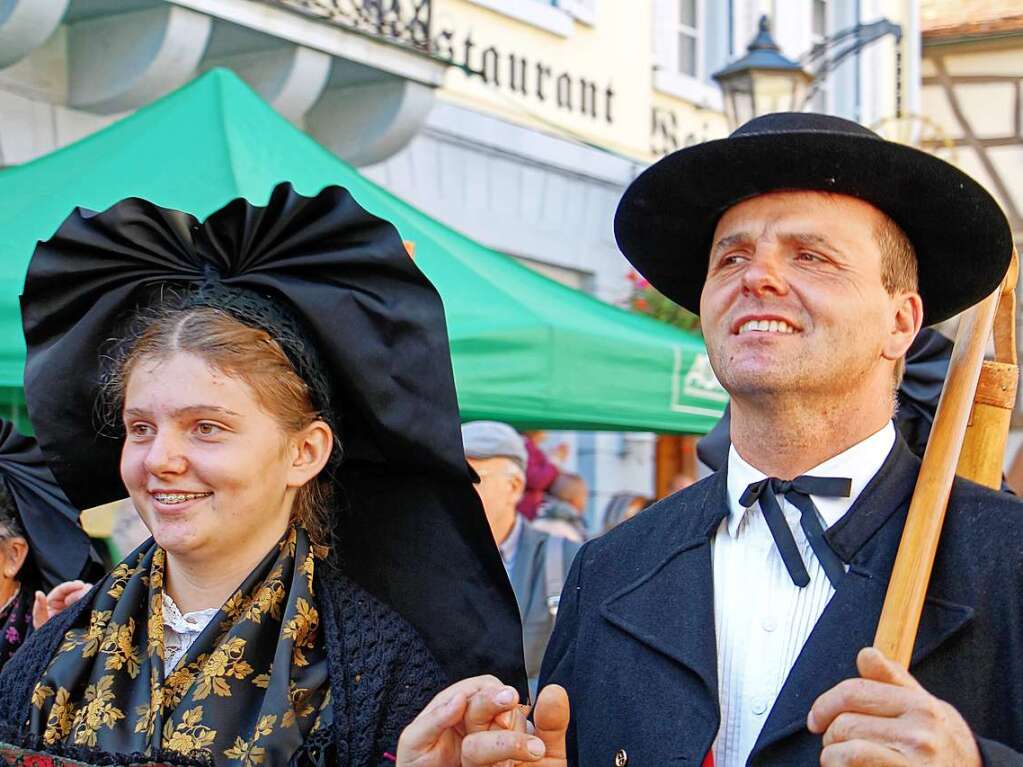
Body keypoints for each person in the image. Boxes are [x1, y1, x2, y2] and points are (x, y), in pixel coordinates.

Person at [538, 113, 1023, 765]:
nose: (754, 277)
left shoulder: (1008, 559)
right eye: (731, 256)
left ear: (900, 322)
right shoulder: (609, 567)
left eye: (810, 256)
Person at [0, 183, 526, 766]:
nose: (159, 459)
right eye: (141, 427)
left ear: (305, 452)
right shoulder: (49, 656)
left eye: (207, 427)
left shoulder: (381, 673)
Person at [461, 421, 580, 698]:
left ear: (514, 487)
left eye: (469, 478)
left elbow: (585, 667)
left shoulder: (565, 559)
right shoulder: (427, 561)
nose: (451, 492)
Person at [533, 473, 588, 543]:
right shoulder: (568, 533)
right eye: (584, 495)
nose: (585, 501)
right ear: (576, 499)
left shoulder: (538, 523)